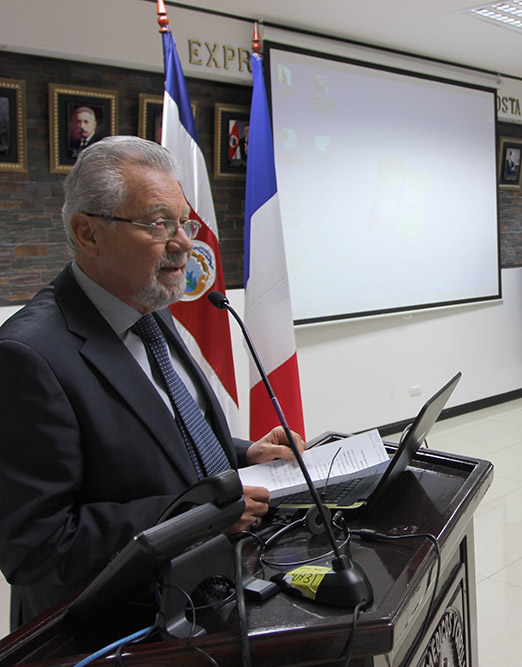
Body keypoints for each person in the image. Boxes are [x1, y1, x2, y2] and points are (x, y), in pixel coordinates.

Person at [0, 136, 305, 628]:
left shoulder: (149, 307)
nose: (185, 243)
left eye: (184, 222)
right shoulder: (28, 357)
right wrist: (198, 515)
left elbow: (159, 435)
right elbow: (34, 545)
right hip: (114, 625)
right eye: (159, 223)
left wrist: (244, 454)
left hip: (201, 590)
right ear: (88, 233)